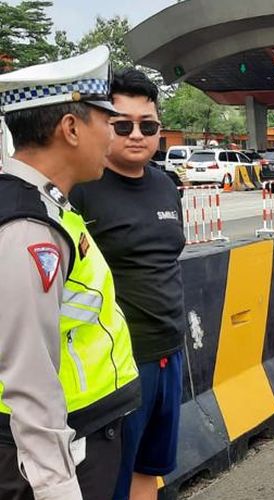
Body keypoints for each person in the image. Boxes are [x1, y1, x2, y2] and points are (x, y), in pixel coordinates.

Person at [0, 47, 140, 499]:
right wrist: (57, 487)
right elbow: (29, 377)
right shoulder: (26, 227)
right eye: (109, 122)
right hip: (56, 453)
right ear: (71, 128)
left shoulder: (46, 205)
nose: (113, 136)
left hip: (81, 432)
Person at [69, 68, 186, 500]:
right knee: (110, 482)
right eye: (123, 125)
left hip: (169, 353)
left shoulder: (165, 185)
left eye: (147, 126)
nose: (137, 135)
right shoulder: (82, 189)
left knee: (149, 469)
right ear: (104, 123)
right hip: (115, 366)